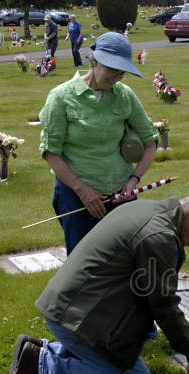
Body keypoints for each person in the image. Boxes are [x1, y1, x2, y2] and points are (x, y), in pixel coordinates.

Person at [10, 186, 189, 374]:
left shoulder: (147, 209)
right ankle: (40, 366)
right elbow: (163, 304)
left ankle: (37, 350)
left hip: (65, 307)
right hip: (74, 318)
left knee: (121, 361)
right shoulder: (159, 237)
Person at [38, 31, 159, 255]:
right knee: (84, 265)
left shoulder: (124, 95)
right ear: (94, 61)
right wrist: (82, 190)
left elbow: (150, 142)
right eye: (112, 70)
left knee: (126, 262)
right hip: (78, 197)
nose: (116, 77)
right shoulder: (61, 97)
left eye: (121, 72)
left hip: (121, 195)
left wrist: (133, 180)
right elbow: (51, 152)